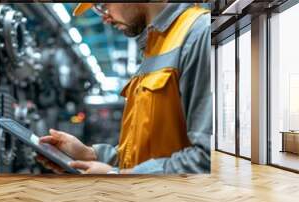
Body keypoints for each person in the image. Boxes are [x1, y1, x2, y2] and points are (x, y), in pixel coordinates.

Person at [38, 3, 212, 174]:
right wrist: (89, 155)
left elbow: (208, 159)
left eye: (103, 5)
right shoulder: (154, 46)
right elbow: (142, 153)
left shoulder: (199, 34)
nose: (104, 17)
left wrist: (116, 175)